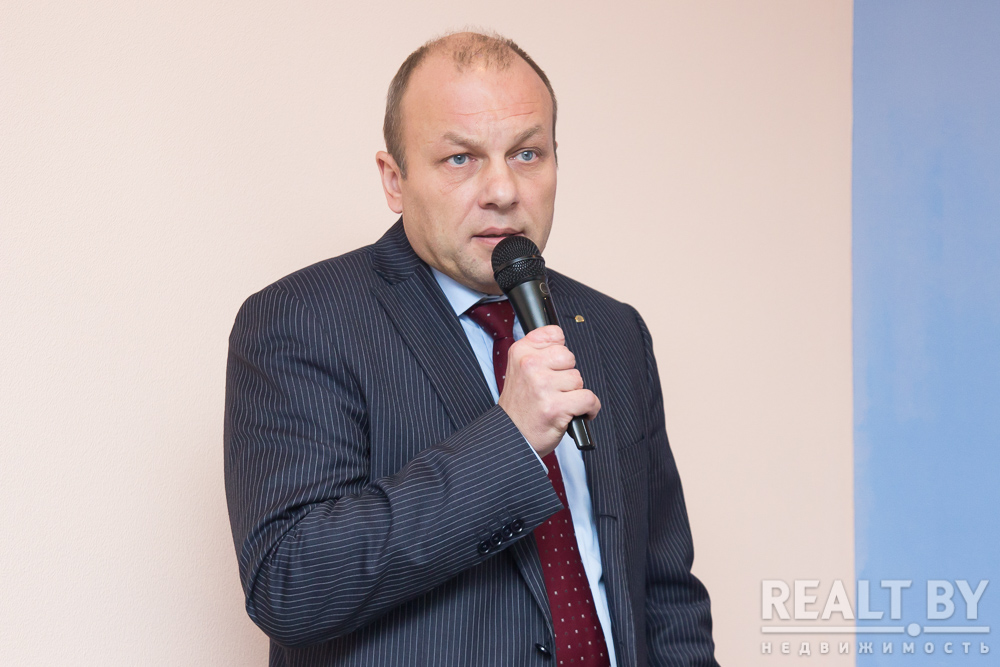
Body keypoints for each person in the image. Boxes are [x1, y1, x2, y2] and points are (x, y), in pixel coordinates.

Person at [225, 31, 718, 667]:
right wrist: (511, 441)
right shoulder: (301, 319)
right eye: (460, 158)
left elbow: (664, 591)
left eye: (527, 154)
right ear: (394, 180)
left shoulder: (611, 328)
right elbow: (291, 585)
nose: (503, 190)